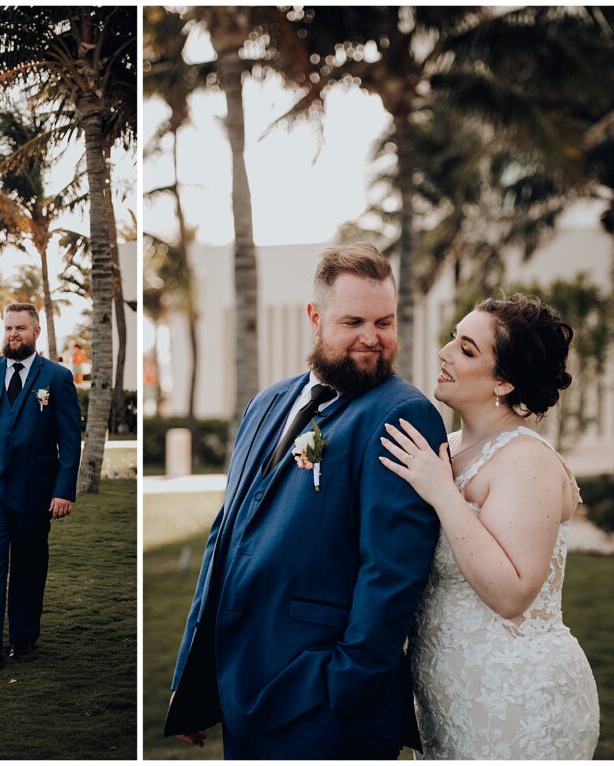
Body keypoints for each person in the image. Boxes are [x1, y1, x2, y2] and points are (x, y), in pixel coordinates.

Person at [166, 243, 447, 758]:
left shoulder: (403, 414)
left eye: (385, 322)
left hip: (322, 707)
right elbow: (224, 539)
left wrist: (345, 685)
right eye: (354, 321)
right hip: (242, 690)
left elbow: (391, 572)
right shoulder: (266, 402)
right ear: (315, 317)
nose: (373, 338)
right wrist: (195, 679)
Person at [379, 295, 600, 758]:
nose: (444, 353)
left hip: (517, 702)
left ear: (502, 381)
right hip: (448, 701)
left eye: (466, 348)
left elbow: (512, 593)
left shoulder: (527, 461)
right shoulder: (446, 447)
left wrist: (443, 493)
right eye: (452, 340)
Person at [0, 303, 81, 671]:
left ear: (36, 331)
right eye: (8, 328)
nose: (13, 335)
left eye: (20, 328)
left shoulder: (57, 377)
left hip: (35, 490)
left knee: (28, 565)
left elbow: (70, 440)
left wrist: (64, 490)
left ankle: (23, 637)